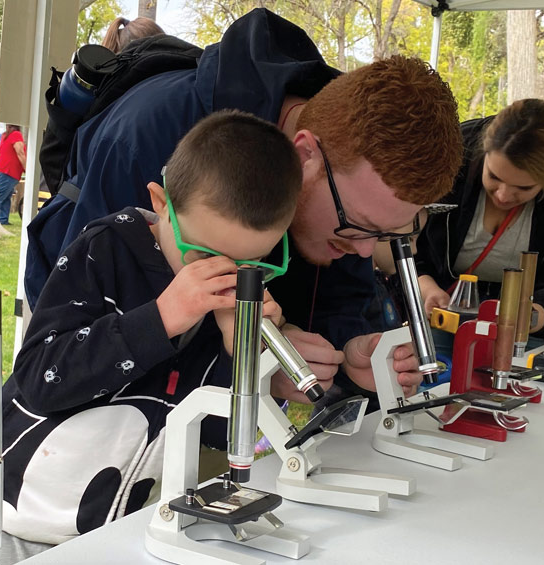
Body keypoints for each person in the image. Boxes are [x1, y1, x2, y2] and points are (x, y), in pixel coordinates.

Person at [26, 9, 464, 405]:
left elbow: (331, 312)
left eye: (385, 236)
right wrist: (243, 350)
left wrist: (344, 360)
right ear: (305, 155)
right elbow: (67, 352)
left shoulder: (348, 192)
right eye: (357, 228)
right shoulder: (147, 136)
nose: (366, 253)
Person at [0, 110, 300, 563]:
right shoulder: (106, 250)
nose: (225, 274)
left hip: (123, 532)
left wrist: (240, 355)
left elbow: (219, 434)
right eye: (204, 254)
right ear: (160, 202)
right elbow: (39, 377)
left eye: (253, 263)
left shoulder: (236, 298)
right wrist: (160, 318)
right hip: (12, 521)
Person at [415, 99, 544, 347]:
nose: (503, 196)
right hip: (442, 314)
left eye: (523, 187)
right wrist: (427, 289)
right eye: (494, 176)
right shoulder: (450, 155)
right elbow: (405, 246)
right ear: (482, 153)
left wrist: (529, 317)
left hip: (523, 333)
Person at [0, 124, 26, 225]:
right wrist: (26, 168)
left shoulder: (6, 134)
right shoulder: (16, 135)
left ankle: (3, 219)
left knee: (6, 195)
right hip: (9, 171)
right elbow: (20, 152)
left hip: (2, 169)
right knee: (0, 195)